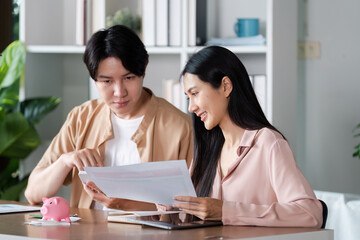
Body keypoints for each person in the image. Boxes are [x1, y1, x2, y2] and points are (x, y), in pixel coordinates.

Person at [24, 25, 193, 210]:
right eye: (107, 81)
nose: (119, 92)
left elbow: (192, 210)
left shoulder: (180, 127)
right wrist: (65, 161)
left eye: (128, 78)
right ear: (94, 78)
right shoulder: (81, 118)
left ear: (143, 69)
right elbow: (33, 193)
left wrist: (126, 204)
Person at [172, 46, 323, 227]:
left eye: (195, 94)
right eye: (188, 97)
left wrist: (226, 211)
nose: (191, 107)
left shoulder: (269, 143)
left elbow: (310, 214)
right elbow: (189, 216)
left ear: (226, 86)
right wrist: (168, 208)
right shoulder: (207, 148)